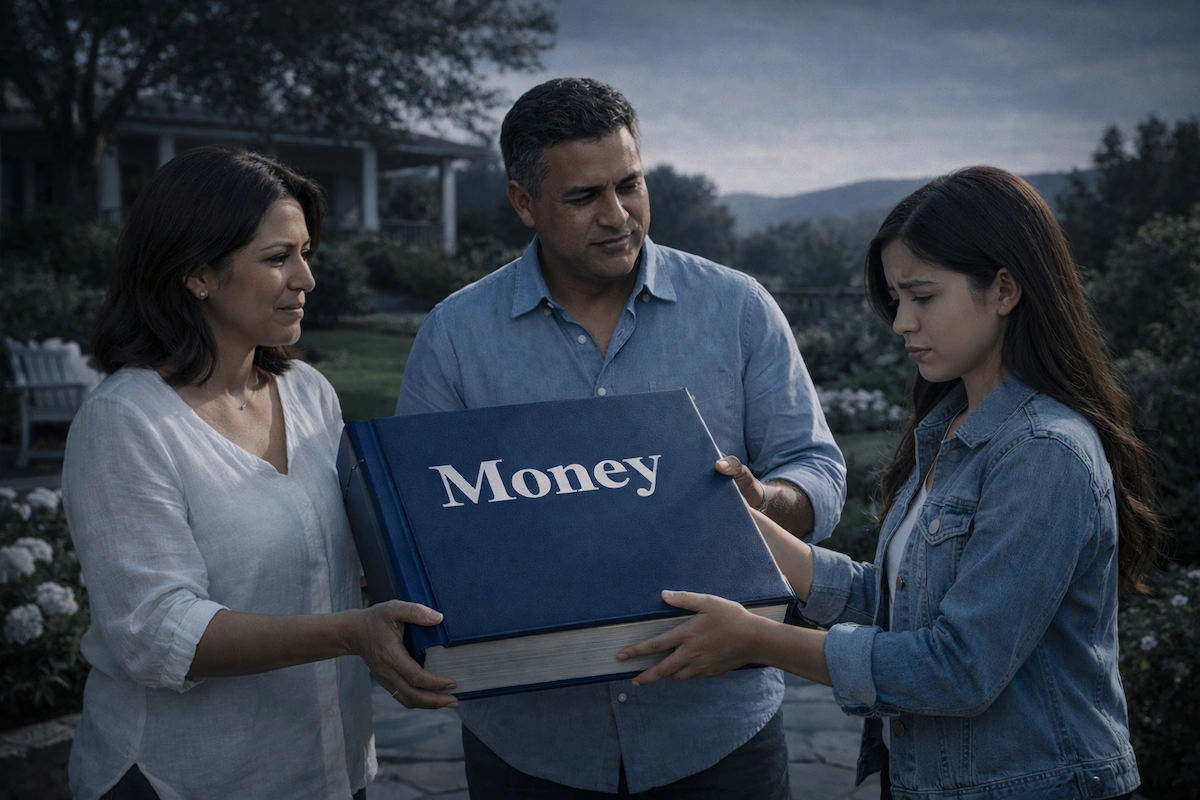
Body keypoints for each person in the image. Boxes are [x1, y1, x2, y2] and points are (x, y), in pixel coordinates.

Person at [617, 166, 1167, 800]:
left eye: (922, 297)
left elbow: (957, 668)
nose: (902, 321)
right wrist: (738, 521)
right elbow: (902, 603)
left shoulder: (1043, 451)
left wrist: (757, 639)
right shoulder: (952, 430)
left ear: (1006, 289)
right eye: (896, 300)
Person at [394, 77, 846, 797]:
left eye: (630, 185)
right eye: (583, 198)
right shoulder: (455, 335)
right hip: (531, 746)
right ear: (523, 202)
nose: (617, 216)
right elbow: (416, 521)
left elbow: (816, 466)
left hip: (716, 732)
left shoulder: (737, 308)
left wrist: (769, 502)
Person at [62, 145, 458, 800]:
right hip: (183, 778)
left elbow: (326, 553)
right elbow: (157, 633)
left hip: (327, 769)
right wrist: (352, 632)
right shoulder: (125, 422)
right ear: (197, 275)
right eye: (278, 258)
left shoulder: (309, 392)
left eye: (306, 253)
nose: (306, 278)